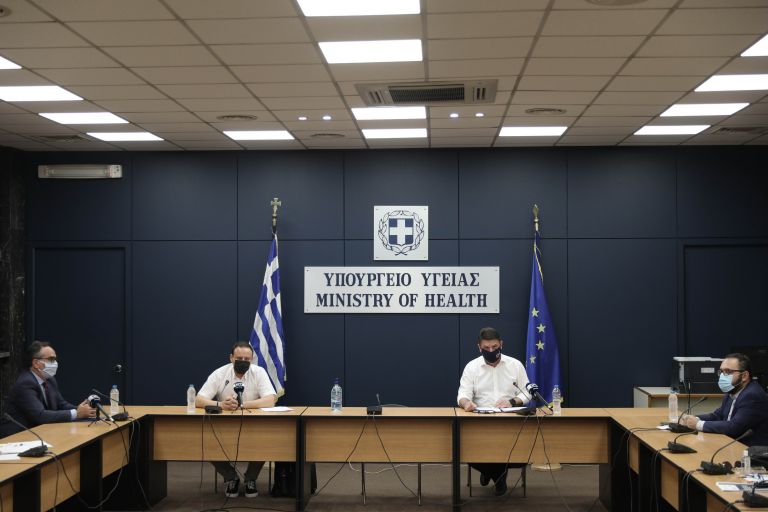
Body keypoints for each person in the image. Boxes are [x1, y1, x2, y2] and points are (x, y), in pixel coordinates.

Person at [196, 341, 278, 498]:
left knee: (265, 443)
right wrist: (221, 404)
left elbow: (270, 400)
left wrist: (242, 405)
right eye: (239, 358)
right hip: (223, 426)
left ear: (252, 359)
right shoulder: (220, 374)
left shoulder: (259, 372)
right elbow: (199, 400)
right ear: (231, 358)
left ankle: (250, 479)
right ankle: (230, 477)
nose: (243, 361)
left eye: (247, 359)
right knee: (207, 444)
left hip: (254, 425)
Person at [457, 327, 530, 496]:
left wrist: (512, 401)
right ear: (479, 347)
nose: (491, 351)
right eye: (486, 348)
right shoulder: (472, 367)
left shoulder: (515, 365)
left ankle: (489, 472)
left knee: (515, 448)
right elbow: (462, 395)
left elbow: (527, 393)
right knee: (466, 448)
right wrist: (466, 403)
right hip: (481, 423)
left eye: (495, 347)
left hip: (510, 422)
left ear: (501, 344)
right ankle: (498, 477)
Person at [0, 341, 96, 437]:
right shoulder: (25, 383)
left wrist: (83, 410)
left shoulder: (50, 380)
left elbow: (61, 404)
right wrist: (76, 413)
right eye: (51, 359)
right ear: (36, 363)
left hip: (40, 432)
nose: (55, 363)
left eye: (55, 359)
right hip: (17, 436)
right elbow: (40, 415)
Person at [681, 352, 768, 446]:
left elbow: (734, 427)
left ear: (744, 376)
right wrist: (693, 418)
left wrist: (698, 424)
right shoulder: (732, 391)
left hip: (749, 450)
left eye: (728, 372)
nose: (722, 376)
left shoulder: (752, 395)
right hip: (730, 444)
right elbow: (717, 416)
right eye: (721, 372)